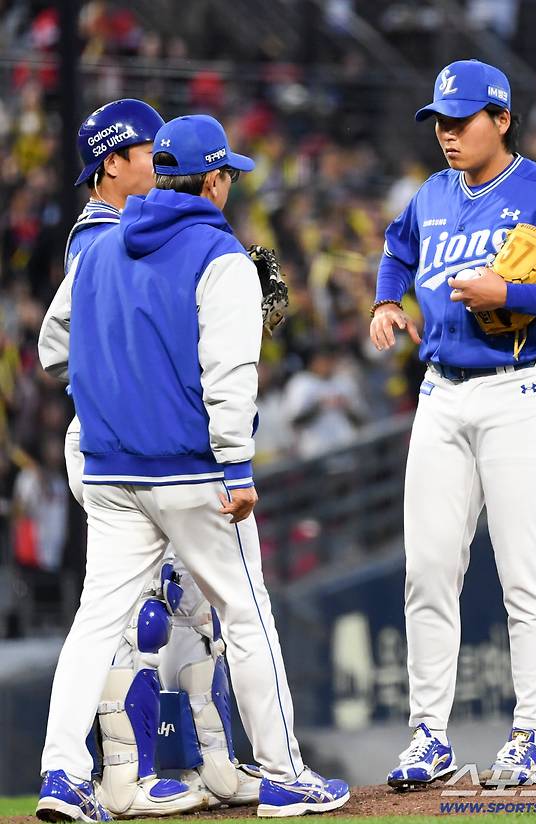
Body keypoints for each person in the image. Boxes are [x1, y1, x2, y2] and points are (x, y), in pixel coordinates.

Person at [36, 113, 350, 821]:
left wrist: (123, 367)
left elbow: (54, 347)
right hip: (190, 470)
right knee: (246, 613)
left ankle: (62, 773)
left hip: (112, 472)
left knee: (95, 621)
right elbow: (230, 380)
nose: (229, 185)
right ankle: (285, 774)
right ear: (213, 181)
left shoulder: (103, 246)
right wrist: (237, 469)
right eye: (227, 175)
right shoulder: (222, 257)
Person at [370, 59, 536, 788]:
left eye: (461, 119)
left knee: (523, 571)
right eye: (439, 121)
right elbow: (395, 248)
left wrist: (509, 290)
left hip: (523, 392)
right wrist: (388, 302)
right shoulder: (431, 196)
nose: (446, 133)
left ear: (501, 119)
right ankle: (428, 736)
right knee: (428, 571)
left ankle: (532, 736)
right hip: (441, 393)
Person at [49, 98, 259, 819]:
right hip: (122, 441)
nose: (161, 161)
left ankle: (215, 763)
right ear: (114, 161)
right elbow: (56, 348)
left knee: (187, 612)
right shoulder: (104, 233)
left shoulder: (135, 229)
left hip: (127, 439)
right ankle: (118, 779)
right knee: (136, 614)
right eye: (148, 150)